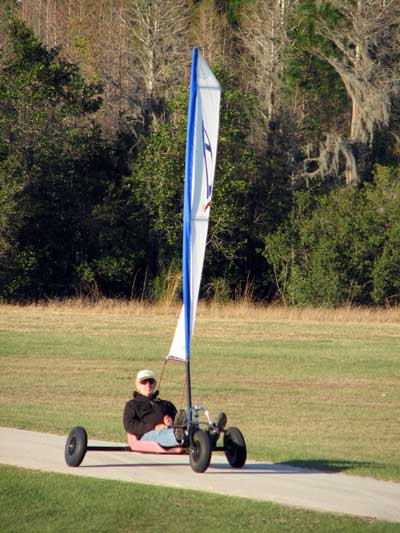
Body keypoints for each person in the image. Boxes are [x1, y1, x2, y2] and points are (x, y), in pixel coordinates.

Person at [123, 369, 186, 447]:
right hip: (148, 434)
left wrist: (169, 420)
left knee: (186, 420)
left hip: (169, 429)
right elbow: (130, 425)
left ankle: (188, 434)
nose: (148, 385)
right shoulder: (132, 404)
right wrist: (154, 427)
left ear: (155, 384)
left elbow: (177, 417)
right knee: (163, 434)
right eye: (144, 382)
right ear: (137, 385)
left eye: (151, 382)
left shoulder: (165, 404)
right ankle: (180, 436)